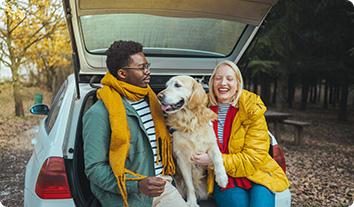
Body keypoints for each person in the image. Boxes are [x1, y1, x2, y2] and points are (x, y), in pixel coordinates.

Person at [83, 40, 187, 207]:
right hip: (127, 198)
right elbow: (95, 169)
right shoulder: (99, 114)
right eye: (141, 68)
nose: (148, 72)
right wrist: (137, 184)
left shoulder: (153, 101)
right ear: (122, 74)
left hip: (162, 186)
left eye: (148, 65)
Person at [191, 60, 290, 207]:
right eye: (218, 78)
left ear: (238, 83)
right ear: (212, 83)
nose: (223, 83)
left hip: (258, 174)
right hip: (224, 176)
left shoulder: (252, 109)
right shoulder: (200, 109)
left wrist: (213, 160)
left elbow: (253, 158)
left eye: (229, 79)